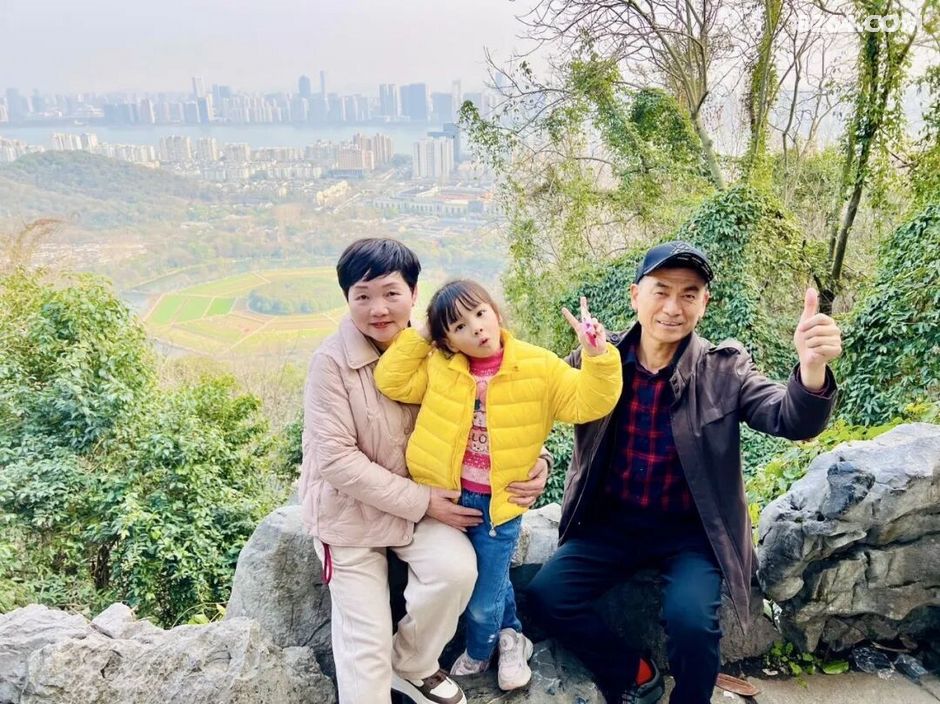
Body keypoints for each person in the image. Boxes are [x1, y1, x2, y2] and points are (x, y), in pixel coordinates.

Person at [526, 241, 842, 704]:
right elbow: (535, 408)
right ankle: (635, 672)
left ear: (704, 303)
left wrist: (811, 369)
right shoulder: (600, 359)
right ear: (635, 295)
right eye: (661, 291)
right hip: (609, 525)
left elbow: (789, 419)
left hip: (691, 533)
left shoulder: (724, 370)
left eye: (689, 294)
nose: (673, 308)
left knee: (693, 624)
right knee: (545, 597)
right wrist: (540, 459)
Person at [299, 240, 549, 704]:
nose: (378, 309)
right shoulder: (330, 363)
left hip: (420, 513)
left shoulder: (445, 350)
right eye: (362, 296)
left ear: (414, 294)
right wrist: (423, 501)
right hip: (351, 517)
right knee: (366, 646)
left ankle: (413, 663)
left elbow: (503, 408)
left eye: (391, 293)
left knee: (457, 571)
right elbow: (335, 460)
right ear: (347, 298)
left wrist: (538, 460)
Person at [374, 279, 623, 691]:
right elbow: (392, 380)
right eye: (459, 326)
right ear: (446, 341)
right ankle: (512, 636)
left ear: (495, 311)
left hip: (499, 506)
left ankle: (479, 651)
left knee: (482, 596)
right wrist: (423, 333)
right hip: (448, 501)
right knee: (490, 579)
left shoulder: (537, 365)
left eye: (480, 313)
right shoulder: (441, 367)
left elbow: (590, 402)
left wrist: (597, 356)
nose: (476, 327)